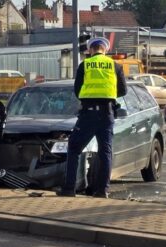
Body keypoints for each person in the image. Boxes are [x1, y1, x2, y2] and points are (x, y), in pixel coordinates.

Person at [56, 37, 127, 198]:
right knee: (105, 152)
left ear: (91, 50)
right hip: (107, 114)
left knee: (74, 148)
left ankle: (69, 189)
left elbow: (77, 90)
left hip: (88, 114)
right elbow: (123, 91)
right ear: (105, 50)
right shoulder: (115, 66)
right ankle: (102, 191)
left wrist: (89, 96)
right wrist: (107, 94)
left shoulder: (85, 65)